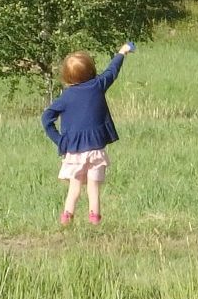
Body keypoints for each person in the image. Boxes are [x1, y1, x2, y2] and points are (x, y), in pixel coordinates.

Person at [42, 42, 134, 226]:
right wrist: (122, 52)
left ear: (67, 77)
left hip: (74, 151)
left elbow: (46, 118)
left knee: (74, 188)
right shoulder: (97, 85)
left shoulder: (66, 97)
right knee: (93, 187)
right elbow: (112, 71)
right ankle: (95, 221)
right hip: (96, 150)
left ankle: (66, 218)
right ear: (91, 71)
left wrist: (60, 141)